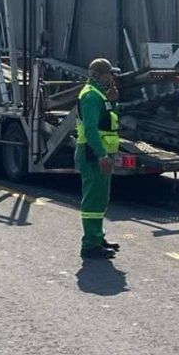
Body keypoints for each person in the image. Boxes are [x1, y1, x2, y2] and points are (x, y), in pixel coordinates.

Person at [75, 58, 122, 259]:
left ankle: (96, 236)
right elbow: (91, 129)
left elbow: (109, 121)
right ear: (98, 75)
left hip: (100, 152)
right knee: (94, 200)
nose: (112, 77)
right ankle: (90, 245)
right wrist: (101, 154)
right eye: (110, 73)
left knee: (101, 198)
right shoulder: (91, 96)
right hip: (93, 153)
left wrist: (113, 100)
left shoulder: (100, 95)